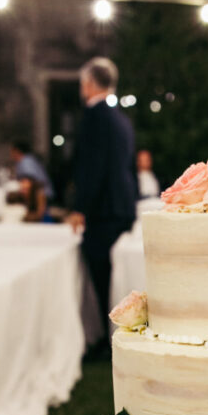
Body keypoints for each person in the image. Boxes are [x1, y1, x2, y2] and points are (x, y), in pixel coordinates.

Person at [67, 57, 137, 352]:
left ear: (89, 83)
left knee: (100, 269)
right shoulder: (120, 118)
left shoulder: (95, 117)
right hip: (121, 203)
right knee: (107, 270)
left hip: (105, 208)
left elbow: (92, 168)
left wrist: (79, 207)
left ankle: (108, 337)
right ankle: (110, 332)